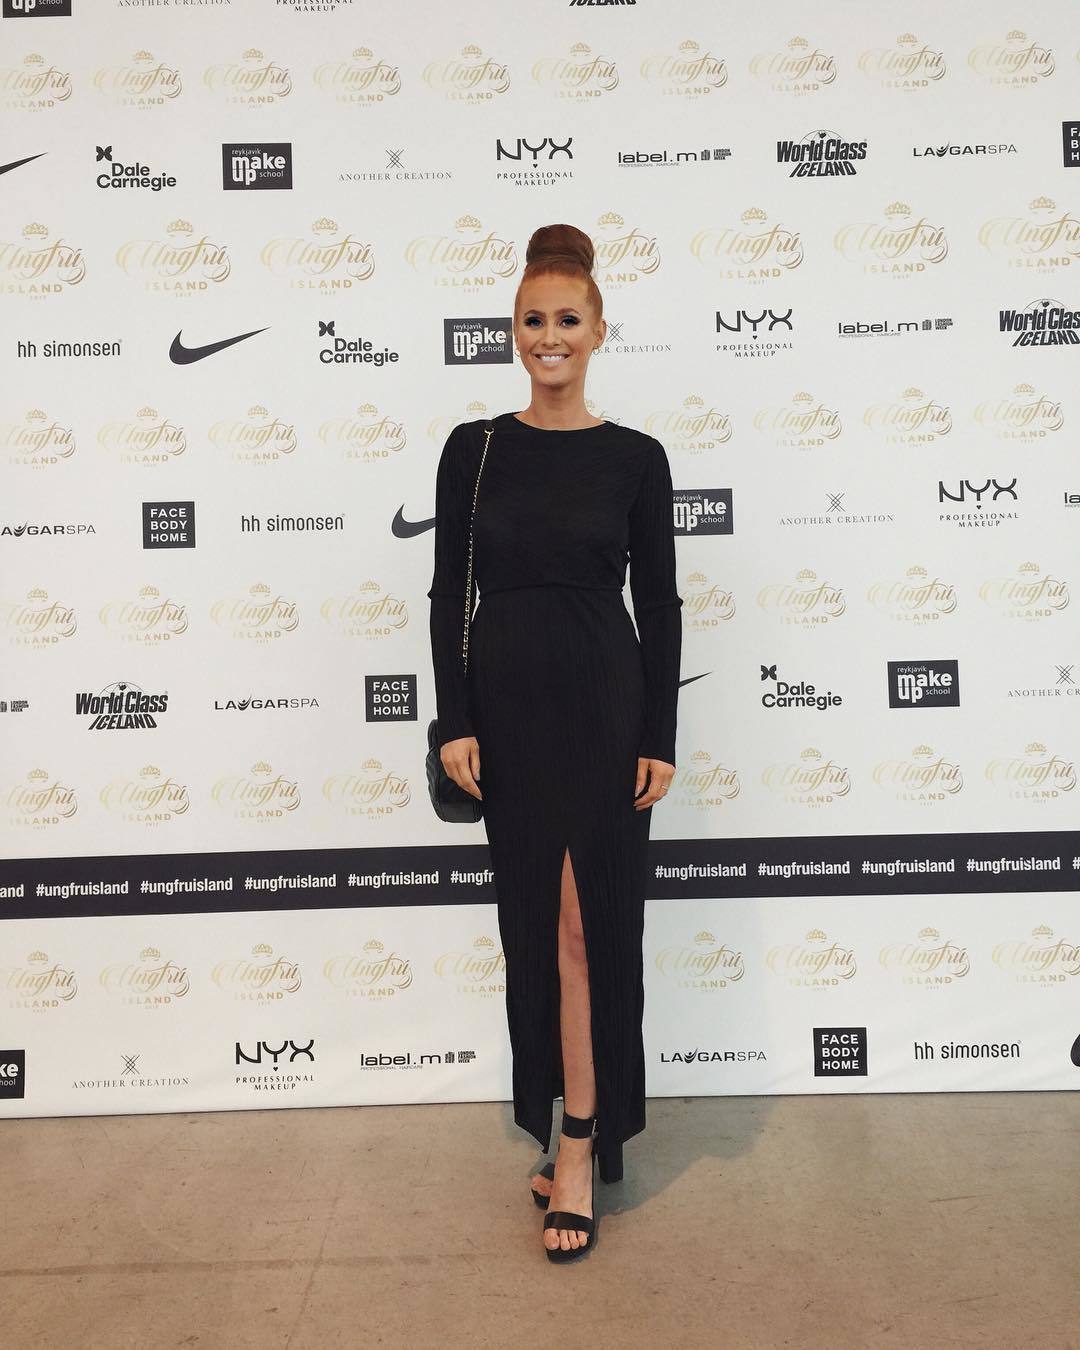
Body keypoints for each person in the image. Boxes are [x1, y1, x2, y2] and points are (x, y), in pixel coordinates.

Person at [427, 222, 682, 1262]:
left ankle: (579, 1142)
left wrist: (658, 732)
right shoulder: (474, 448)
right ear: (513, 331)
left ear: (599, 330)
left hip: (604, 706)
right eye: (532, 320)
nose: (549, 336)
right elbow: (449, 592)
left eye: (567, 319)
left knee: (590, 930)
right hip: (509, 714)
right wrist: (454, 717)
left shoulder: (637, 459)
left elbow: (659, 604)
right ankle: (567, 1114)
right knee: (534, 930)